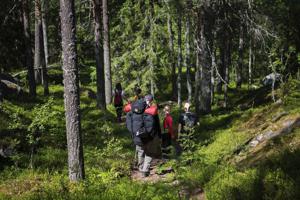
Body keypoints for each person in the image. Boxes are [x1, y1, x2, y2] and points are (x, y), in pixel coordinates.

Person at [125, 94, 161, 177]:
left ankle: (141, 168)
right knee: (149, 153)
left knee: (140, 151)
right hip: (148, 136)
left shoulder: (133, 109)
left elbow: (129, 123)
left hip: (136, 135)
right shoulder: (151, 111)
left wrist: (133, 133)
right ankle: (145, 170)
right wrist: (159, 135)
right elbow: (156, 124)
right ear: (151, 101)